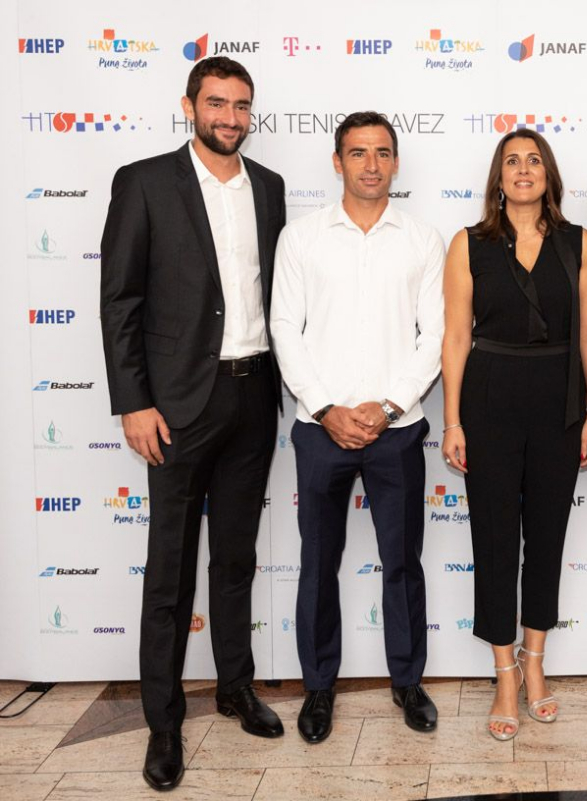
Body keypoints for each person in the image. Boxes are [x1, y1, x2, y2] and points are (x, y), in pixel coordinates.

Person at [100, 56, 286, 791]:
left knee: (235, 558)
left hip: (253, 395)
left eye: (241, 106)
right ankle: (164, 722)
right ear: (189, 106)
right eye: (217, 104)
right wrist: (133, 401)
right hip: (177, 405)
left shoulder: (268, 186)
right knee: (170, 571)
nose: (230, 118)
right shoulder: (145, 181)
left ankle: (235, 686)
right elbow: (121, 300)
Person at [270, 111, 445, 744]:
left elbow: (436, 334)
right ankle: (319, 687)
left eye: (382, 152)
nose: (371, 164)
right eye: (357, 152)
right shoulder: (302, 237)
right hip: (320, 431)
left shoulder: (422, 239)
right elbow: (284, 329)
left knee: (403, 563)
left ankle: (407, 681)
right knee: (318, 564)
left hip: (397, 431)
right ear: (337, 161)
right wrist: (326, 408)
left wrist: (388, 407)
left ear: (396, 162)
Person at [441, 129, 587, 740]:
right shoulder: (469, 244)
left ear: (549, 174)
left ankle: (535, 663)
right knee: (493, 539)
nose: (523, 169)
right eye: (512, 161)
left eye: (534, 160)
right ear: (499, 178)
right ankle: (504, 674)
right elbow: (456, 337)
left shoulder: (578, 242)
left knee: (546, 536)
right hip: (489, 399)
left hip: (560, 402)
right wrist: (452, 420)